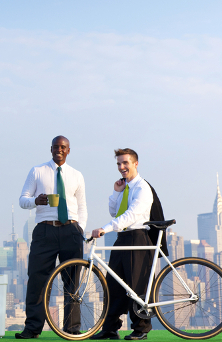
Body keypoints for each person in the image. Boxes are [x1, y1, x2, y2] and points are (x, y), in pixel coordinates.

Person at [16, 136, 88, 339]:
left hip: (71, 231)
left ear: (68, 150)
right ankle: (32, 328)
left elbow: (82, 207)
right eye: (56, 147)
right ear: (51, 149)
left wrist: (80, 229)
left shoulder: (77, 175)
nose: (59, 150)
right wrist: (35, 201)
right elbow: (23, 199)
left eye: (63, 147)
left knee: (72, 281)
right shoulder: (37, 171)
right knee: (37, 280)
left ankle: (72, 328)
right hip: (44, 231)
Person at [90, 149, 154, 341]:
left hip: (137, 238)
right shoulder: (125, 188)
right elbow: (114, 212)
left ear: (135, 164)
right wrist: (116, 192)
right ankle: (110, 328)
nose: (121, 167)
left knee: (136, 285)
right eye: (118, 164)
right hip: (122, 239)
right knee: (113, 284)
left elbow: (130, 216)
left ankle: (141, 328)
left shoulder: (142, 188)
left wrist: (104, 228)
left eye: (125, 163)